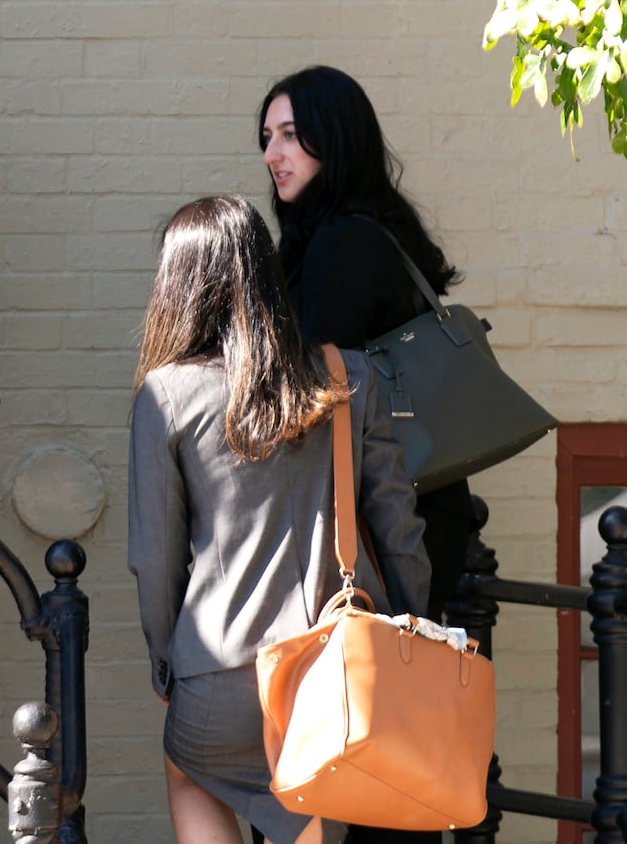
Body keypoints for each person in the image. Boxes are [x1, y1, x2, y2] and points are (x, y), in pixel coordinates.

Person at [128, 194, 429, 844]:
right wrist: (410, 629)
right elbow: (398, 526)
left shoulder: (167, 394)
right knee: (312, 804)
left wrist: (164, 666)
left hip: (216, 676)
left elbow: (154, 558)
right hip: (333, 672)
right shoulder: (345, 374)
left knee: (187, 771)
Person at [257, 66, 469, 844]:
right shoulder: (357, 229)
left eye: (289, 136)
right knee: (385, 745)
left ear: (332, 138)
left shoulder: (345, 243)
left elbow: (315, 385)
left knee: (372, 750)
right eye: (267, 138)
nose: (273, 155)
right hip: (404, 507)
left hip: (381, 521)